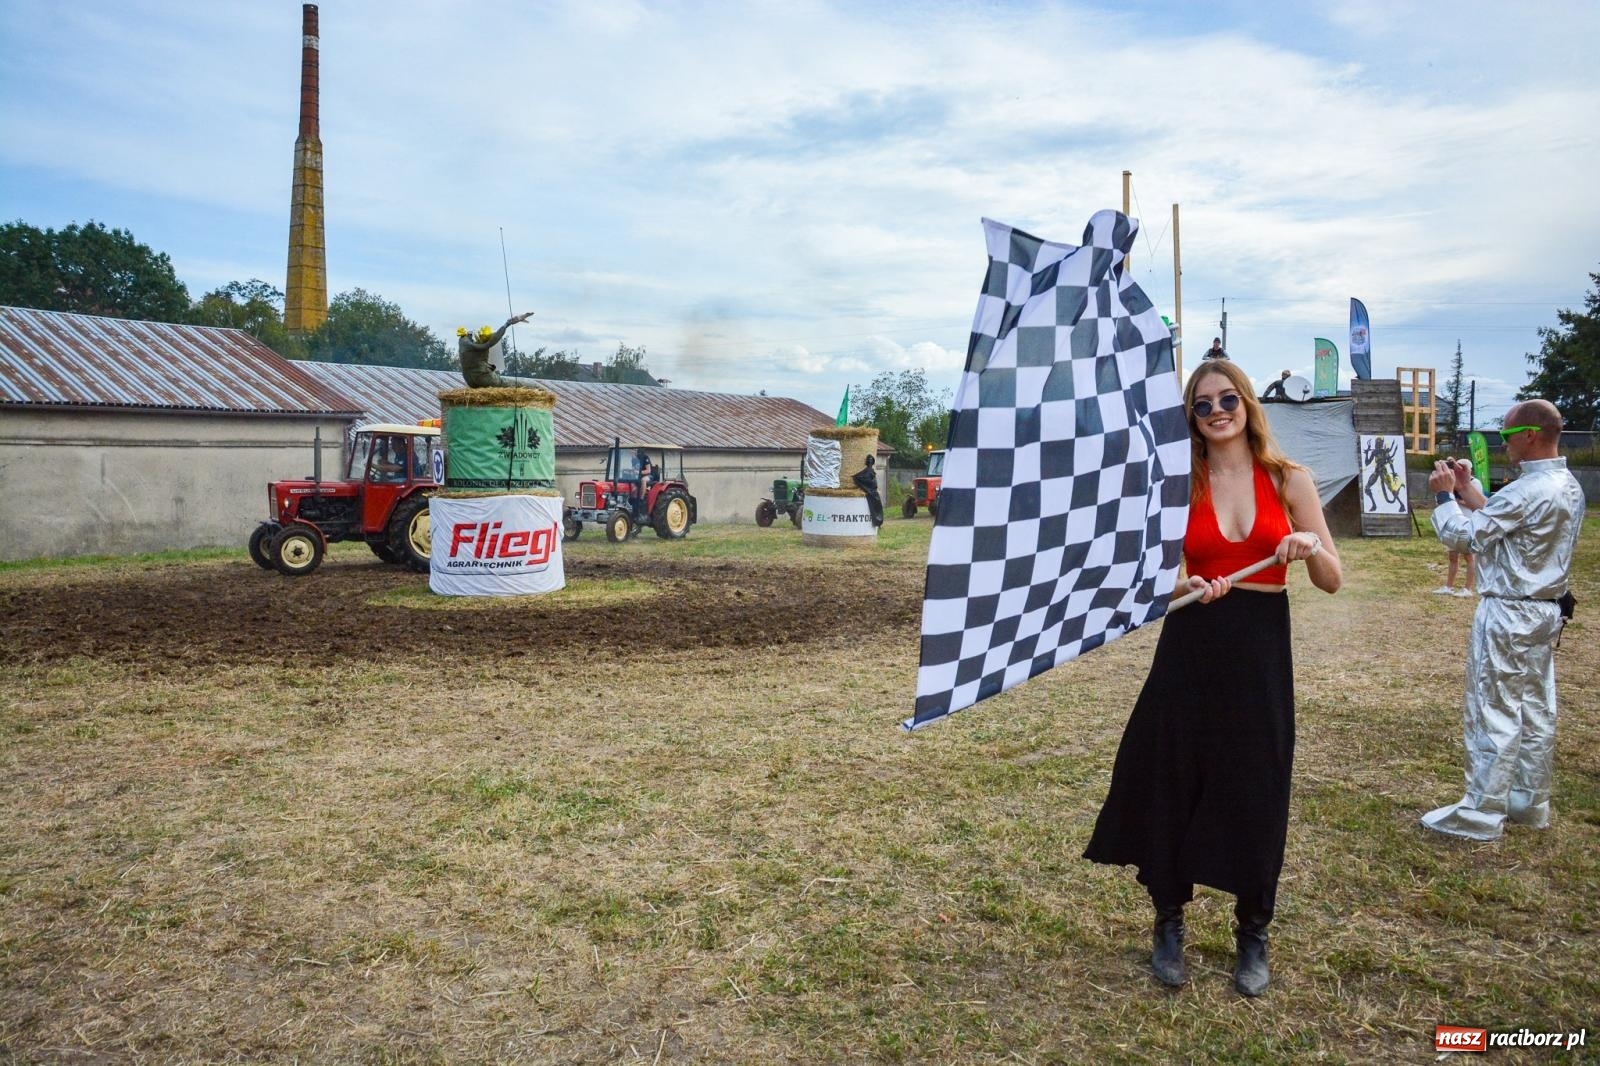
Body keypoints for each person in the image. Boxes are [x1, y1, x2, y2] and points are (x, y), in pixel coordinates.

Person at [1084, 357, 1342, 997]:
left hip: (1258, 650)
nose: (1217, 411)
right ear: (1191, 418)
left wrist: (1309, 549)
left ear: (1248, 403)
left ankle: (1253, 930)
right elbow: (1152, 580)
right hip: (1192, 643)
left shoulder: (1290, 480)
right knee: (1172, 777)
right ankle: (1167, 921)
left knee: (1256, 783)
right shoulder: (1179, 480)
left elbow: (1333, 577)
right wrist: (1187, 583)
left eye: (1227, 398)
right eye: (1202, 405)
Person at [1421, 399, 1585, 841]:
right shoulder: (1565, 485)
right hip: (1545, 608)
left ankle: (1481, 811)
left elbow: (1464, 535)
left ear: (1530, 435)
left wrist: (1441, 495)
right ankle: (1529, 802)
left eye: (1508, 436)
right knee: (1535, 710)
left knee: (1493, 709)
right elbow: (1501, 517)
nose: (1504, 445)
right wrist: (1467, 489)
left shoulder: (1528, 490)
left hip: (1510, 609)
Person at [457, 311, 533, 388]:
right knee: (517, 384)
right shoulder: (483, 345)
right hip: (484, 378)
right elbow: (495, 338)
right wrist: (508, 323)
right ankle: (539, 389)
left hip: (469, 380)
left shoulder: (463, 342)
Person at [852, 453, 884, 528]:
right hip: (871, 491)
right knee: (876, 506)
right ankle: (878, 522)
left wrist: (856, 477)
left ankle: (878, 522)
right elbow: (864, 479)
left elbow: (870, 481)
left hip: (872, 491)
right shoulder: (868, 471)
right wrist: (856, 477)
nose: (869, 462)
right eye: (869, 460)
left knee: (877, 506)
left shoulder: (870, 471)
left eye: (871, 461)